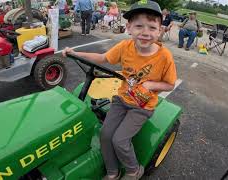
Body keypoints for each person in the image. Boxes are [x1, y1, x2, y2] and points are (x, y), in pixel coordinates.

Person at [62, 1, 177, 179]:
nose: (145, 32)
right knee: (106, 135)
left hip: (142, 106)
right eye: (139, 26)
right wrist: (76, 53)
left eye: (152, 27)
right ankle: (112, 173)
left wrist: (151, 85)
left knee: (120, 140)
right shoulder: (125, 47)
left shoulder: (164, 56)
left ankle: (133, 170)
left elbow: (169, 84)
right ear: (129, 27)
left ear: (160, 30)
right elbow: (102, 58)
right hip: (122, 100)